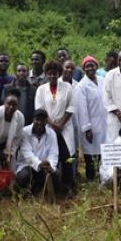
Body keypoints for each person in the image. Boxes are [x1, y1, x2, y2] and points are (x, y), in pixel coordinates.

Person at [35, 60, 76, 195]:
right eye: (50, 74)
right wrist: (52, 124)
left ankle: (68, 186)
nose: (53, 76)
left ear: (59, 73)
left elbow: (71, 107)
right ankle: (51, 186)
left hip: (64, 127)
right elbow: (39, 110)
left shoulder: (67, 87)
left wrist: (61, 124)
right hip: (48, 128)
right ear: (46, 74)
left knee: (67, 158)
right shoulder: (41, 90)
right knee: (51, 157)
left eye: (55, 74)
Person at [74, 56, 106, 181]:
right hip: (91, 125)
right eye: (87, 66)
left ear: (96, 67)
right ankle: (91, 179)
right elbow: (82, 109)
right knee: (91, 154)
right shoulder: (81, 86)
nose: (90, 68)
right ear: (84, 69)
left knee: (104, 151)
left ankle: (103, 177)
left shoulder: (103, 80)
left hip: (105, 123)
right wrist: (87, 128)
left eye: (92, 65)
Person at [15, 109, 59, 195]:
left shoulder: (51, 133)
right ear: (33, 119)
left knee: (57, 175)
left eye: (42, 120)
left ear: (46, 121)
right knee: (23, 176)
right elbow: (27, 154)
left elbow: (54, 154)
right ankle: (28, 190)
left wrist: (50, 166)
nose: (39, 122)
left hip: (45, 167)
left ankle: (38, 188)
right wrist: (39, 164)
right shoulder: (25, 132)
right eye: (37, 119)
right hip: (27, 165)